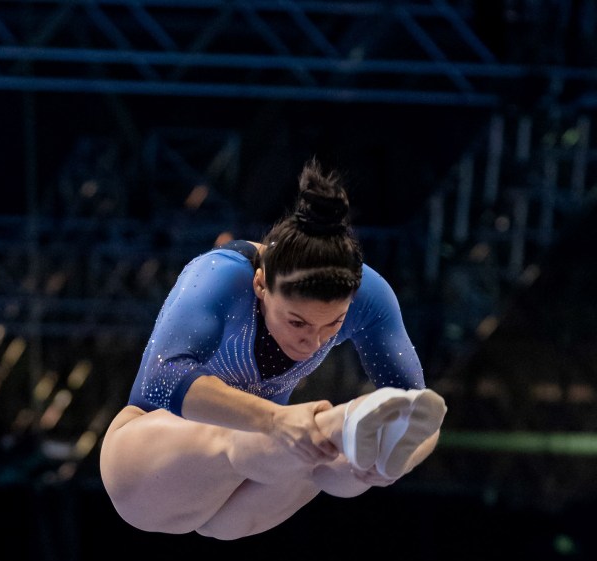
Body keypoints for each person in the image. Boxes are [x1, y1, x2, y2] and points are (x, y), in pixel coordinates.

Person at [99, 159, 446, 540]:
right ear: (261, 284)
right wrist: (275, 420)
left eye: (332, 324)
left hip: (250, 477)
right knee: (245, 438)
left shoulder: (369, 296)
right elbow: (162, 380)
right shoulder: (220, 275)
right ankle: (337, 422)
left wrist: (395, 464)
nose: (313, 341)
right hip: (146, 466)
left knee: (328, 466)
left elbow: (419, 407)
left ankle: (346, 439)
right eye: (297, 322)